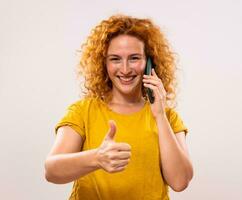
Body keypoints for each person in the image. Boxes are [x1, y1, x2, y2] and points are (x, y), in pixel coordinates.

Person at [44, 14, 193, 200]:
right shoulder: (82, 111)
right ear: (103, 63)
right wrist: (97, 158)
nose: (125, 69)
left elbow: (180, 182)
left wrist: (160, 115)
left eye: (134, 58)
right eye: (115, 59)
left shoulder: (168, 117)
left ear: (150, 62)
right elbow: (52, 171)